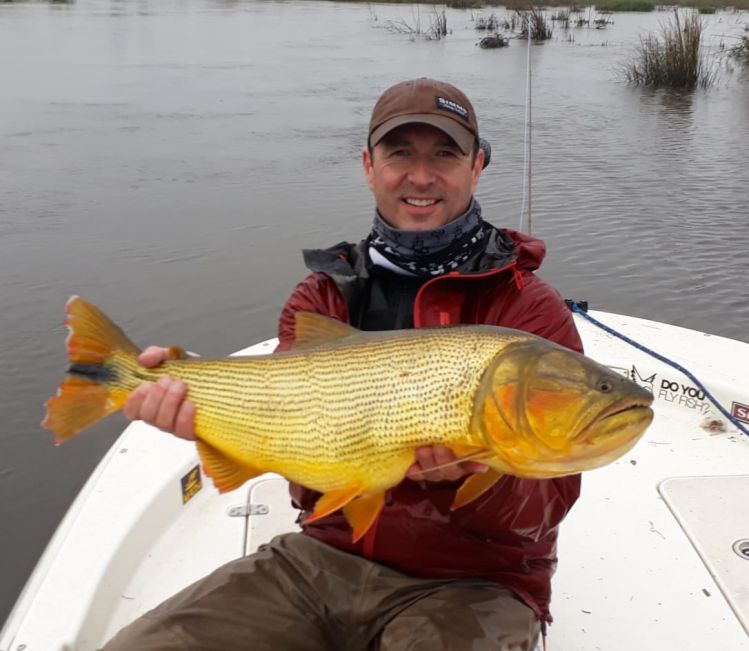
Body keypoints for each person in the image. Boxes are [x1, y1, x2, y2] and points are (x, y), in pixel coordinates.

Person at [106, 78, 583, 651]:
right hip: (323, 557)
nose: (421, 176)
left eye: (444, 155)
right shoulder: (321, 296)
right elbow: (308, 493)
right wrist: (200, 412)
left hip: (474, 581)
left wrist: (471, 480)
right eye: (400, 153)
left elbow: (543, 509)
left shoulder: (528, 309)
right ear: (368, 165)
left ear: (477, 167)